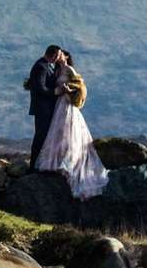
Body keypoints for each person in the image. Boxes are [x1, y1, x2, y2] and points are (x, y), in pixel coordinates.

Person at [33, 49, 109, 199]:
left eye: (61, 54)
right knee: (58, 133)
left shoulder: (68, 69)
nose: (59, 56)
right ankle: (56, 161)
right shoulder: (57, 70)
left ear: (66, 56)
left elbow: (80, 85)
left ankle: (67, 162)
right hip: (58, 105)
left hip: (66, 104)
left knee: (67, 132)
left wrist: (68, 90)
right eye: (58, 54)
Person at [22, 45, 67, 164]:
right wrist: (55, 91)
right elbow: (39, 87)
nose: (58, 58)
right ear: (54, 55)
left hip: (46, 108)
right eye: (58, 55)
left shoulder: (46, 65)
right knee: (40, 137)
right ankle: (34, 164)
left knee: (44, 136)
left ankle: (39, 163)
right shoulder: (41, 66)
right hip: (42, 109)